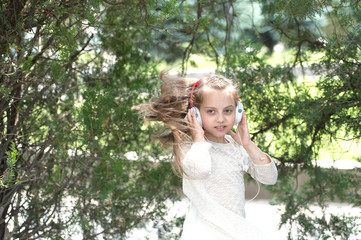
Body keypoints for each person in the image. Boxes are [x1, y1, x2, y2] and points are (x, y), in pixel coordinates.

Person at [135, 72, 278, 239]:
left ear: (238, 112)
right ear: (195, 113)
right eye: (211, 111)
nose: (221, 118)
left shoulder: (236, 147)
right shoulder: (189, 147)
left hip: (233, 232)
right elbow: (200, 170)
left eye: (228, 111)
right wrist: (198, 138)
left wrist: (248, 144)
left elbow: (269, 178)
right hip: (203, 233)